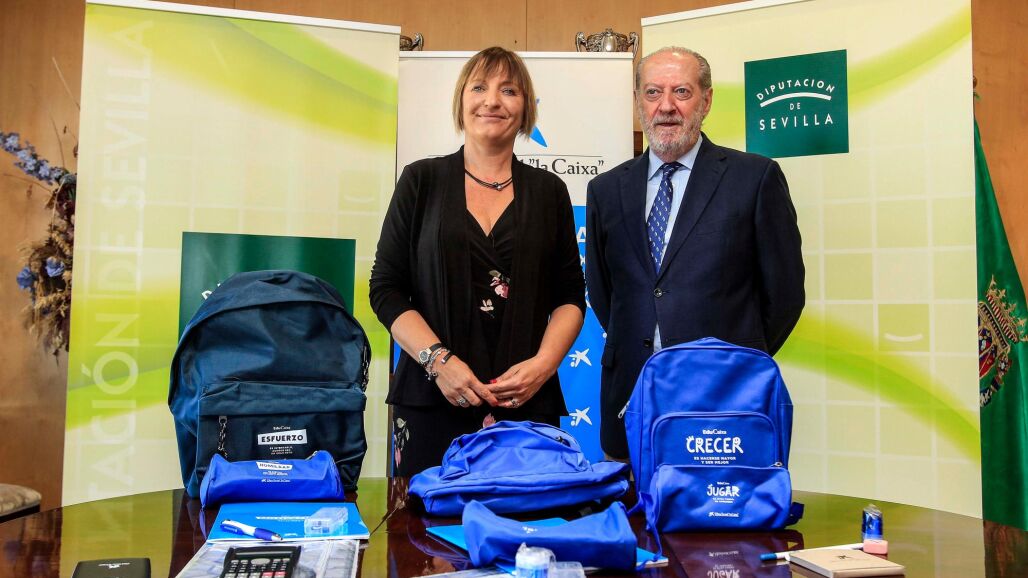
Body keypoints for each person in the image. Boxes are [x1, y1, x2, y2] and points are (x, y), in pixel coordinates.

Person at [370, 47, 586, 476]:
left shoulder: (549, 192)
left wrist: (544, 366)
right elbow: (386, 289)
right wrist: (438, 362)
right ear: (461, 101)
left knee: (529, 516)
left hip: (527, 403)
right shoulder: (420, 180)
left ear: (525, 109)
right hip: (432, 401)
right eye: (479, 88)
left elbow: (570, 297)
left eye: (509, 90)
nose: (492, 101)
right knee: (424, 519)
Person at [585, 46, 805, 459]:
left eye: (681, 92)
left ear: (706, 101)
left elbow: (785, 296)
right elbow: (604, 293)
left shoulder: (755, 178)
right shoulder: (606, 190)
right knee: (630, 499)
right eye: (653, 92)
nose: (666, 106)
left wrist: (733, 362)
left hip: (724, 402)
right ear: (638, 102)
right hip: (630, 399)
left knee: (719, 503)